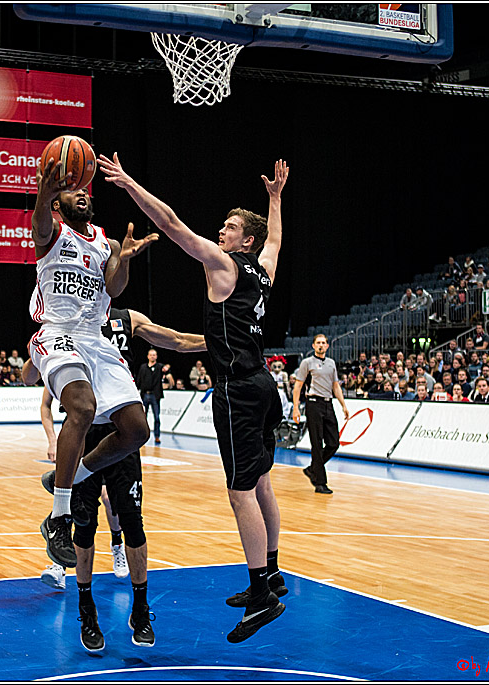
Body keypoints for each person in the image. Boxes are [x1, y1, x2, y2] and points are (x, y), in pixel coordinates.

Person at [99, 151, 290, 644]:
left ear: (240, 241)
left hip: (239, 392)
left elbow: (171, 222)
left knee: (240, 492)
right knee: (263, 481)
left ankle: (261, 594)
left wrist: (128, 183)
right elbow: (274, 240)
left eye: (228, 227)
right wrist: (275, 200)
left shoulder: (223, 266)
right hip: (264, 385)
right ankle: (270, 574)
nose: (220, 232)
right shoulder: (263, 270)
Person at [28, 306, 205, 650]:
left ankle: (140, 609)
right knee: (84, 526)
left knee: (133, 524)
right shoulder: (63, 318)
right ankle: (86, 609)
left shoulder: (126, 318)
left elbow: (177, 340)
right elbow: (29, 376)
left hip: (121, 433)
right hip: (83, 434)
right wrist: (41, 348)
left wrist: (218, 340)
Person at [27, 156, 156, 569]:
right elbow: (39, 217)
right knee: (81, 408)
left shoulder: (106, 243)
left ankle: (71, 476)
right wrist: (47, 187)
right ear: (58, 203)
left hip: (95, 339)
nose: (82, 193)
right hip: (57, 333)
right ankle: (59, 517)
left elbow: (114, 287)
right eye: (72, 190)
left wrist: (126, 257)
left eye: (85, 189)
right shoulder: (50, 232)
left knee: (137, 430)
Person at [292, 335, 351, 494]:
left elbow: (336, 386)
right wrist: (296, 408)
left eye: (323, 343)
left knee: (334, 443)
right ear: (313, 345)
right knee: (316, 443)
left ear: (327, 346)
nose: (321, 345)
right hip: (313, 404)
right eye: (318, 343)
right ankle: (320, 483)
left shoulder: (331, 363)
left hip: (328, 403)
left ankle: (313, 469)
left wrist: (343, 405)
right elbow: (298, 386)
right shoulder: (307, 363)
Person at [135, 349, 164, 444]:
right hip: (144, 395)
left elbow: (167, 370)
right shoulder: (143, 367)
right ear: (148, 356)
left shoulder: (159, 367)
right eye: (151, 355)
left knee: (156, 417)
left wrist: (167, 368)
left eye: (154, 355)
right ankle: (142, 436)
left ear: (156, 356)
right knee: (143, 417)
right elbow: (138, 381)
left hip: (155, 395)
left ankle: (157, 436)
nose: (152, 356)